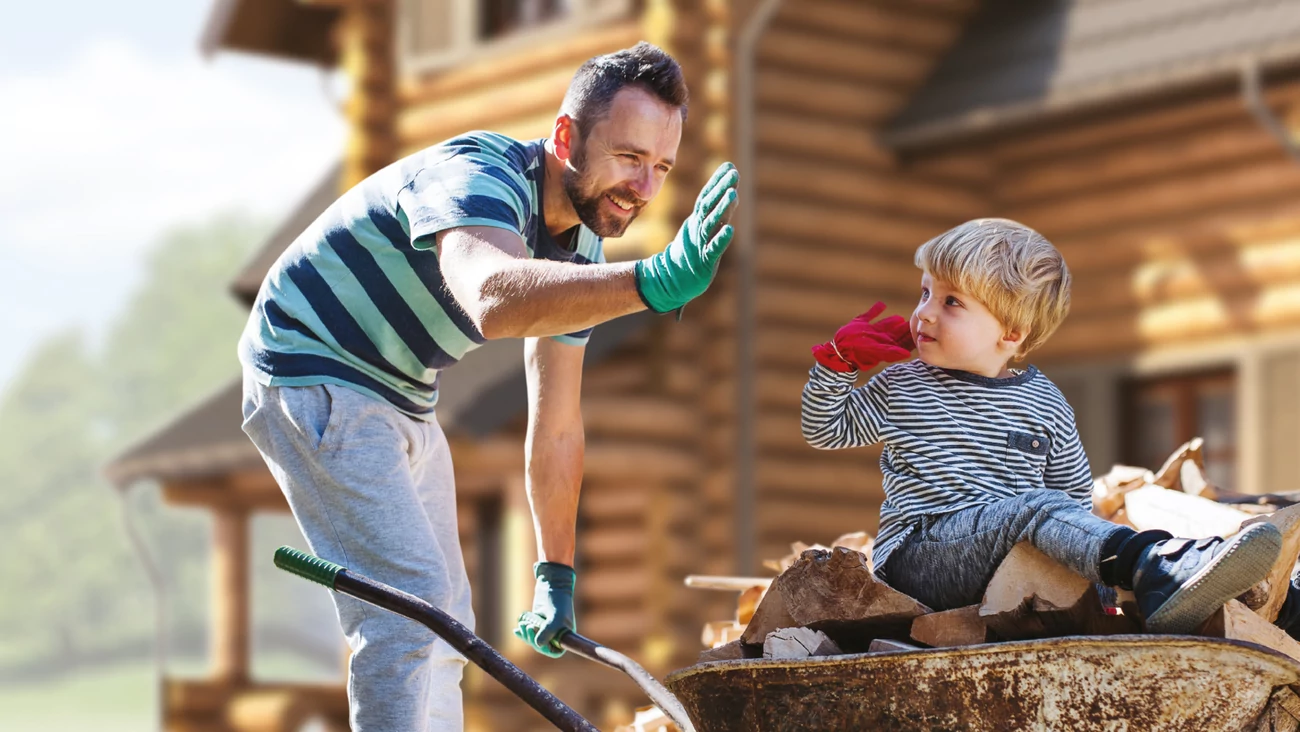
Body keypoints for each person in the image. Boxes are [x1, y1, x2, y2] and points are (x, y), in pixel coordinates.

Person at [237, 42, 738, 731]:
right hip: (311, 368)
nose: (645, 190)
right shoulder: (478, 176)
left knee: (447, 626)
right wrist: (648, 281)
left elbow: (557, 422)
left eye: (661, 168)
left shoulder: (578, 247)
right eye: (629, 158)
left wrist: (554, 574)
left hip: (401, 393)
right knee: (407, 608)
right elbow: (492, 295)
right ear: (566, 137)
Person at [799, 218, 1281, 634]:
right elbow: (827, 429)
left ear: (1010, 333)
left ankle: (1268, 605)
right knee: (1034, 510)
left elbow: (1072, 499)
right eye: (925, 292)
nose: (923, 311)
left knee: (1044, 513)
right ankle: (1156, 567)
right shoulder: (904, 384)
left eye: (951, 303)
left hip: (1012, 562)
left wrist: (1095, 595)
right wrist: (837, 365)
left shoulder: (1043, 399)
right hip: (920, 555)